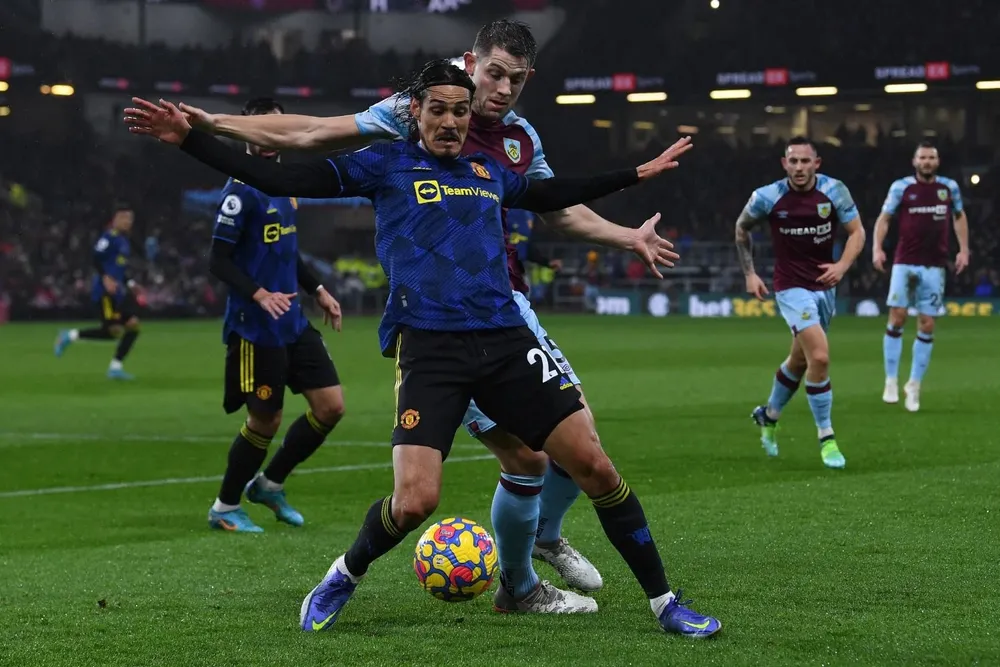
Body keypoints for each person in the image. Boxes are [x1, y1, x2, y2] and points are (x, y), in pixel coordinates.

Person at [126, 59, 721, 638]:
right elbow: (285, 178)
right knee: (415, 502)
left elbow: (552, 194)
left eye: (460, 112)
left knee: (595, 466)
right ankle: (343, 575)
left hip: (505, 343)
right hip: (431, 352)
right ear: (415, 112)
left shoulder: (488, 171)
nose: (451, 122)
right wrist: (191, 139)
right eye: (438, 109)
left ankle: (665, 603)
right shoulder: (383, 163)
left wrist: (634, 175)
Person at [205, 97, 347, 533]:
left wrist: (318, 290)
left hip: (292, 321)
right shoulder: (239, 192)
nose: (268, 136)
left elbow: (286, 250)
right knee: (265, 420)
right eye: (259, 127)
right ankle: (225, 507)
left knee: (331, 406)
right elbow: (218, 260)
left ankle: (269, 484)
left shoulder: (285, 184)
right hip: (255, 327)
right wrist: (259, 294)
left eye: (276, 127)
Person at [736, 137, 866, 469]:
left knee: (799, 361)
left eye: (805, 161)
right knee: (820, 357)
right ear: (784, 164)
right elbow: (742, 228)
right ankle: (827, 437)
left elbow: (857, 232)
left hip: (825, 285)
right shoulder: (768, 196)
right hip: (790, 287)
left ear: (816, 163)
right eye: (793, 161)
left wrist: (841, 266)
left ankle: (769, 415)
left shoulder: (834, 191)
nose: (798, 167)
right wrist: (750, 273)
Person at [872, 141, 969, 412]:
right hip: (905, 262)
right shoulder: (901, 187)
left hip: (935, 265)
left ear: (937, 161)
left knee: (927, 324)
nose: (927, 162)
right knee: (897, 317)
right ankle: (891, 380)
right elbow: (885, 218)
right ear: (915, 161)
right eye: (922, 157)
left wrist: (964, 249)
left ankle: (913, 385)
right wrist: (877, 248)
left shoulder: (948, 188)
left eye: (931, 157)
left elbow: (959, 216)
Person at [55, 203, 143, 380]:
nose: (128, 222)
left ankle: (115, 368)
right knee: (113, 331)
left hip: (118, 293)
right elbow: (95, 258)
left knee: (133, 325)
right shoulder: (109, 237)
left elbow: (119, 269)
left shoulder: (124, 241)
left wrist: (131, 283)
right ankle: (69, 335)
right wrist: (105, 277)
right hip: (105, 294)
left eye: (130, 218)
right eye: (124, 218)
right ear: (115, 219)